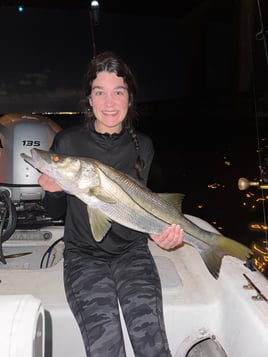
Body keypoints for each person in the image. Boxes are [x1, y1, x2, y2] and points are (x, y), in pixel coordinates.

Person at [38, 51, 184, 357]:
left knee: (152, 345)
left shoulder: (142, 145)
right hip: (84, 257)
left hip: (133, 254)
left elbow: (141, 205)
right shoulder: (67, 143)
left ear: (130, 100)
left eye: (119, 92)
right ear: (89, 100)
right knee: (107, 348)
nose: (109, 102)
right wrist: (53, 191)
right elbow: (54, 213)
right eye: (99, 92)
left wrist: (160, 232)